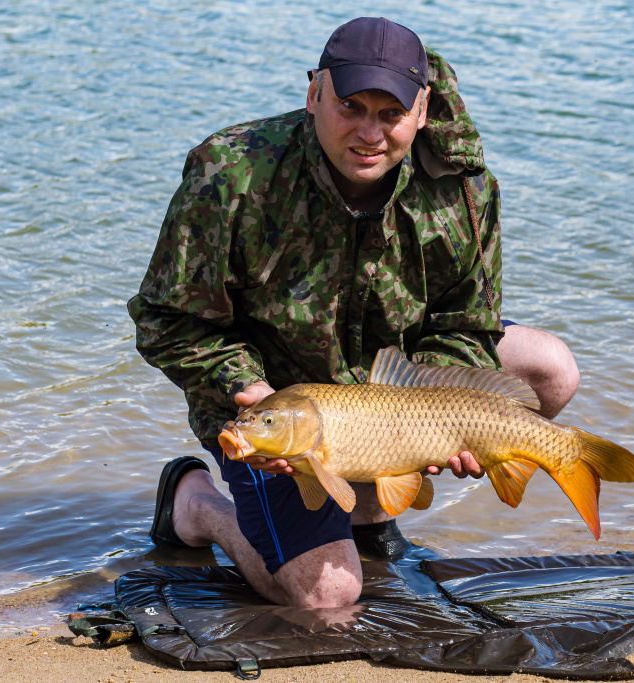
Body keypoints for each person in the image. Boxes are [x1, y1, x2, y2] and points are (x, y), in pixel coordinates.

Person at [128, 17, 579, 609]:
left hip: (388, 386)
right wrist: (250, 390)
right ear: (315, 92)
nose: (369, 133)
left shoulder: (463, 188)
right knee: (328, 598)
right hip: (273, 402)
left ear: (422, 109)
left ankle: (364, 509)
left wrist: (446, 417)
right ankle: (197, 506)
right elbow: (165, 318)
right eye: (350, 106)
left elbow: (464, 323)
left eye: (390, 114)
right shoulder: (230, 172)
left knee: (549, 369)